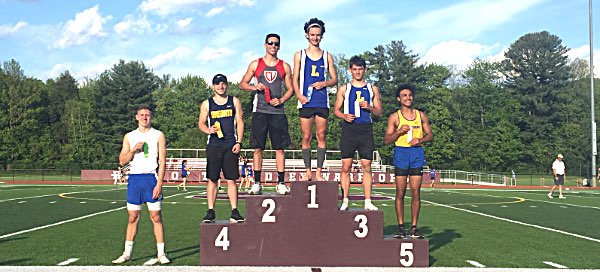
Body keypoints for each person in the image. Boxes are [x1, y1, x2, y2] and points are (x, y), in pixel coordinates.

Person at [112, 105, 170, 265]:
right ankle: (126, 253)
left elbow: (162, 160)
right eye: (142, 115)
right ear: (136, 117)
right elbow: (122, 161)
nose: (145, 118)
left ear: (151, 117)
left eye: (148, 115)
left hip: (151, 179)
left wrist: (159, 183)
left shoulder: (158, 135)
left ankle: (161, 253)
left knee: (156, 216)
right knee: (132, 217)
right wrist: (133, 150)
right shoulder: (129, 136)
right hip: (134, 180)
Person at [239, 33, 294, 195]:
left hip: (278, 112)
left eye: (276, 44)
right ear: (265, 45)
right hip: (260, 111)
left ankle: (281, 183)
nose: (273, 46)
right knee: (257, 148)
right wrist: (254, 87)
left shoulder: (285, 66)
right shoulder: (256, 64)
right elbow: (242, 84)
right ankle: (257, 182)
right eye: (270, 43)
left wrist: (282, 100)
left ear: (279, 46)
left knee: (280, 149)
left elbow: (291, 89)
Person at [384, 83, 433, 240]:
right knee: (400, 192)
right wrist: (399, 132)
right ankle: (400, 227)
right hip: (401, 154)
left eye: (410, 95)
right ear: (399, 99)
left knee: (415, 192)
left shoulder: (421, 115)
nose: (408, 98)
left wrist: (420, 140)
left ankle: (413, 227)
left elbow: (430, 135)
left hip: (416, 154)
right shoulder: (394, 117)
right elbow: (386, 140)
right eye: (404, 95)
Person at [333, 55, 382, 211]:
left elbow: (379, 112)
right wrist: (344, 116)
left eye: (360, 69)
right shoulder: (344, 89)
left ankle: (368, 200)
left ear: (365, 70)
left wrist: (370, 107)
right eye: (355, 69)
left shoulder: (372, 89)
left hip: (365, 129)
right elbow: (336, 111)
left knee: (366, 165)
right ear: (350, 70)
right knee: (346, 165)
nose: (358, 72)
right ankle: (345, 200)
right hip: (349, 129)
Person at [292, 18, 338, 181]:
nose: (315, 38)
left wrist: (324, 83)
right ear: (307, 35)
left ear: (322, 36)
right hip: (306, 101)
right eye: (312, 35)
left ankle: (318, 172)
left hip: (321, 101)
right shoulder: (300, 55)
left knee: (321, 135)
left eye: (318, 35)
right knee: (306, 137)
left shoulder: (327, 56)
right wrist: (298, 95)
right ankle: (307, 171)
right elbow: (294, 78)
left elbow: (334, 79)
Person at [198, 74, 245, 223]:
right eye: (217, 84)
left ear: (227, 85)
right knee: (212, 178)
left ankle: (234, 211)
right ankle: (211, 211)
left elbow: (240, 122)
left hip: (230, 145)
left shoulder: (234, 101)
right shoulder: (207, 103)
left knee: (231, 179)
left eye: (223, 83)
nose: (221, 86)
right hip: (214, 145)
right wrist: (208, 130)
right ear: (213, 86)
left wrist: (239, 142)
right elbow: (201, 123)